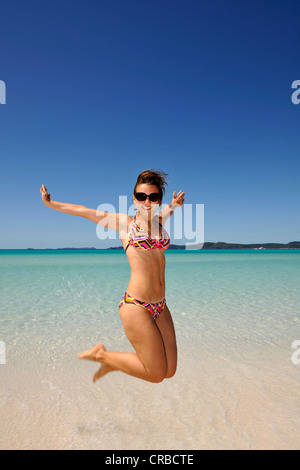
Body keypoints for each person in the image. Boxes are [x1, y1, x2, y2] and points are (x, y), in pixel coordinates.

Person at [40, 169, 185, 383]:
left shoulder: (158, 222)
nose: (147, 202)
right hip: (137, 305)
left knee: (169, 370)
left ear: (159, 200)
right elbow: (85, 211)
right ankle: (103, 356)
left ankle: (109, 361)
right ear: (134, 198)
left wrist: (174, 206)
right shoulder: (124, 223)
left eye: (153, 197)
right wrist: (51, 204)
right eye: (141, 196)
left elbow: (167, 213)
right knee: (155, 375)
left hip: (160, 306)